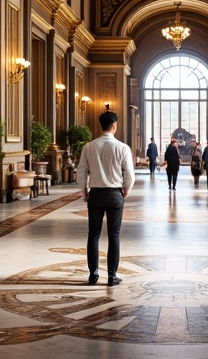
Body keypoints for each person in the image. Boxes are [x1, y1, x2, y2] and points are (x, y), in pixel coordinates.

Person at [76, 110, 134, 286]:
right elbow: (129, 175)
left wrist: (84, 191)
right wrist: (126, 190)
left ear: (100, 125)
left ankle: (93, 274)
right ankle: (111, 275)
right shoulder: (122, 147)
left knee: (93, 234)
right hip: (114, 194)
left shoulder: (89, 146)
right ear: (114, 125)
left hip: (95, 193)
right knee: (113, 235)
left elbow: (81, 172)